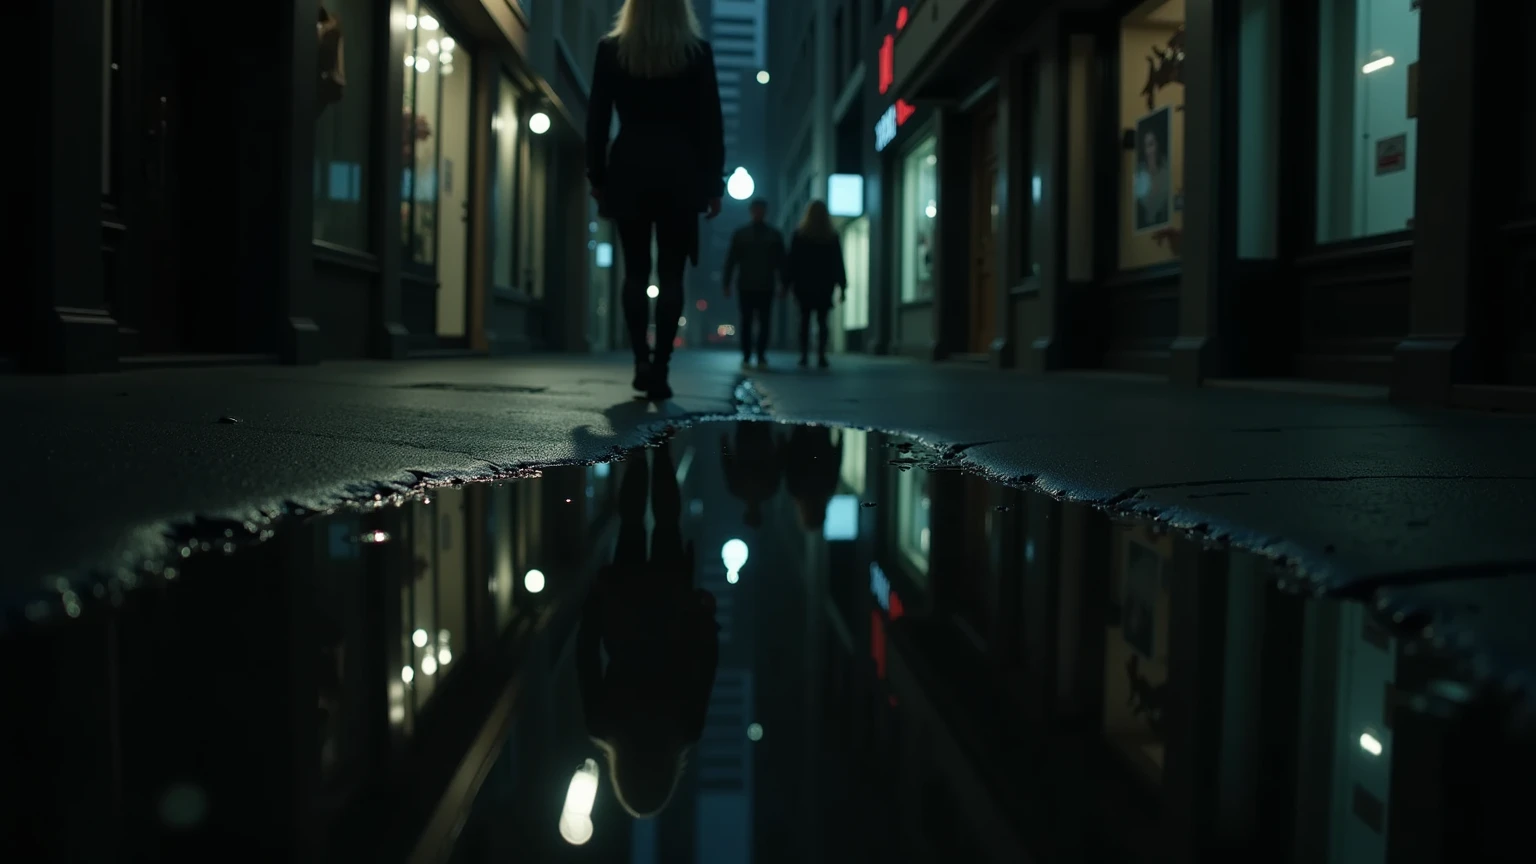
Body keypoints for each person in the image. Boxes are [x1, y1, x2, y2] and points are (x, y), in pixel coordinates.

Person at [587, 0, 725, 401]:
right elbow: (710, 122)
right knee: (671, 275)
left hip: (629, 166)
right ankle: (662, 368)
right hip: (680, 171)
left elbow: (597, 118)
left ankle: (640, 362)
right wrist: (713, 184)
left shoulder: (611, 49)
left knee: (634, 270)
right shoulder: (696, 53)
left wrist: (597, 176)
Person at [578, 441, 720, 818]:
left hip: (672, 613)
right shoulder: (602, 727)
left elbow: (705, 666)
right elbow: (586, 656)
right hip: (622, 615)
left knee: (668, 524)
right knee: (630, 525)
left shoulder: (686, 731)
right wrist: (596, 602)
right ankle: (641, 457)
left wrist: (703, 617)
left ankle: (662, 453)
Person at [722, 199, 785, 370]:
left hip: (762, 284)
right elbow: (731, 260)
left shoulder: (767, 235)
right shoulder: (750, 234)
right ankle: (749, 354)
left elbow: (781, 263)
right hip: (748, 285)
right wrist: (726, 283)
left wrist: (783, 284)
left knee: (762, 321)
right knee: (748, 321)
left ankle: (759, 354)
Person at [784, 200, 846, 368]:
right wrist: (842, 286)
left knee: (804, 320)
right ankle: (821, 355)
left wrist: (786, 284)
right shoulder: (831, 236)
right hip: (824, 284)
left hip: (804, 284)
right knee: (823, 321)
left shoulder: (800, 235)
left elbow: (792, 262)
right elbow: (838, 263)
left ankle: (804, 355)